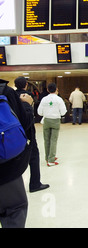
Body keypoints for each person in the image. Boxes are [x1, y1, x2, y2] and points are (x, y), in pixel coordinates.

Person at [0, 78, 33, 228]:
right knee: (14, 211)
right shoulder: (5, 92)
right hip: (6, 171)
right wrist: (27, 105)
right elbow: (24, 123)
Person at [14, 76, 49, 192]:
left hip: (14, 131)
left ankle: (13, 186)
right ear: (26, 85)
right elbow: (28, 117)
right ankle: (35, 183)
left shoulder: (11, 96)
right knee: (34, 157)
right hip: (27, 132)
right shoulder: (28, 96)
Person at [37, 83, 67, 167]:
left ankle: (47, 157)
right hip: (55, 120)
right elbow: (63, 111)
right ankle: (51, 160)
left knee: (46, 140)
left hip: (46, 120)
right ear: (56, 89)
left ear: (47, 90)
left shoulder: (44, 99)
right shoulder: (59, 99)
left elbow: (39, 112)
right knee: (53, 140)